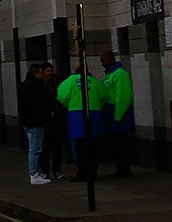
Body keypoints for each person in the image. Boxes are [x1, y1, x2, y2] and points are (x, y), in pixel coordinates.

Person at [55, 60, 106, 180]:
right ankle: (93, 172)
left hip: (76, 117)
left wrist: (70, 103)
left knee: (79, 147)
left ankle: (82, 172)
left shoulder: (70, 81)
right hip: (94, 116)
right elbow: (104, 96)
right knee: (93, 146)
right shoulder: (95, 82)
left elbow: (61, 96)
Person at [18, 63, 56, 185]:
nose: (43, 74)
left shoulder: (24, 85)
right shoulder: (39, 86)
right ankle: (34, 174)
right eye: (41, 72)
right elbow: (45, 104)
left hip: (26, 121)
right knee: (35, 149)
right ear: (36, 73)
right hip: (36, 122)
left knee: (34, 148)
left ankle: (36, 173)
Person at [100, 50, 136, 178]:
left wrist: (118, 116)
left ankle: (124, 169)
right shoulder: (110, 74)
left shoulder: (119, 74)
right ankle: (121, 168)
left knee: (121, 144)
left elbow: (123, 96)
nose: (102, 63)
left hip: (118, 113)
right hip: (111, 113)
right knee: (116, 144)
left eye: (103, 60)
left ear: (110, 59)